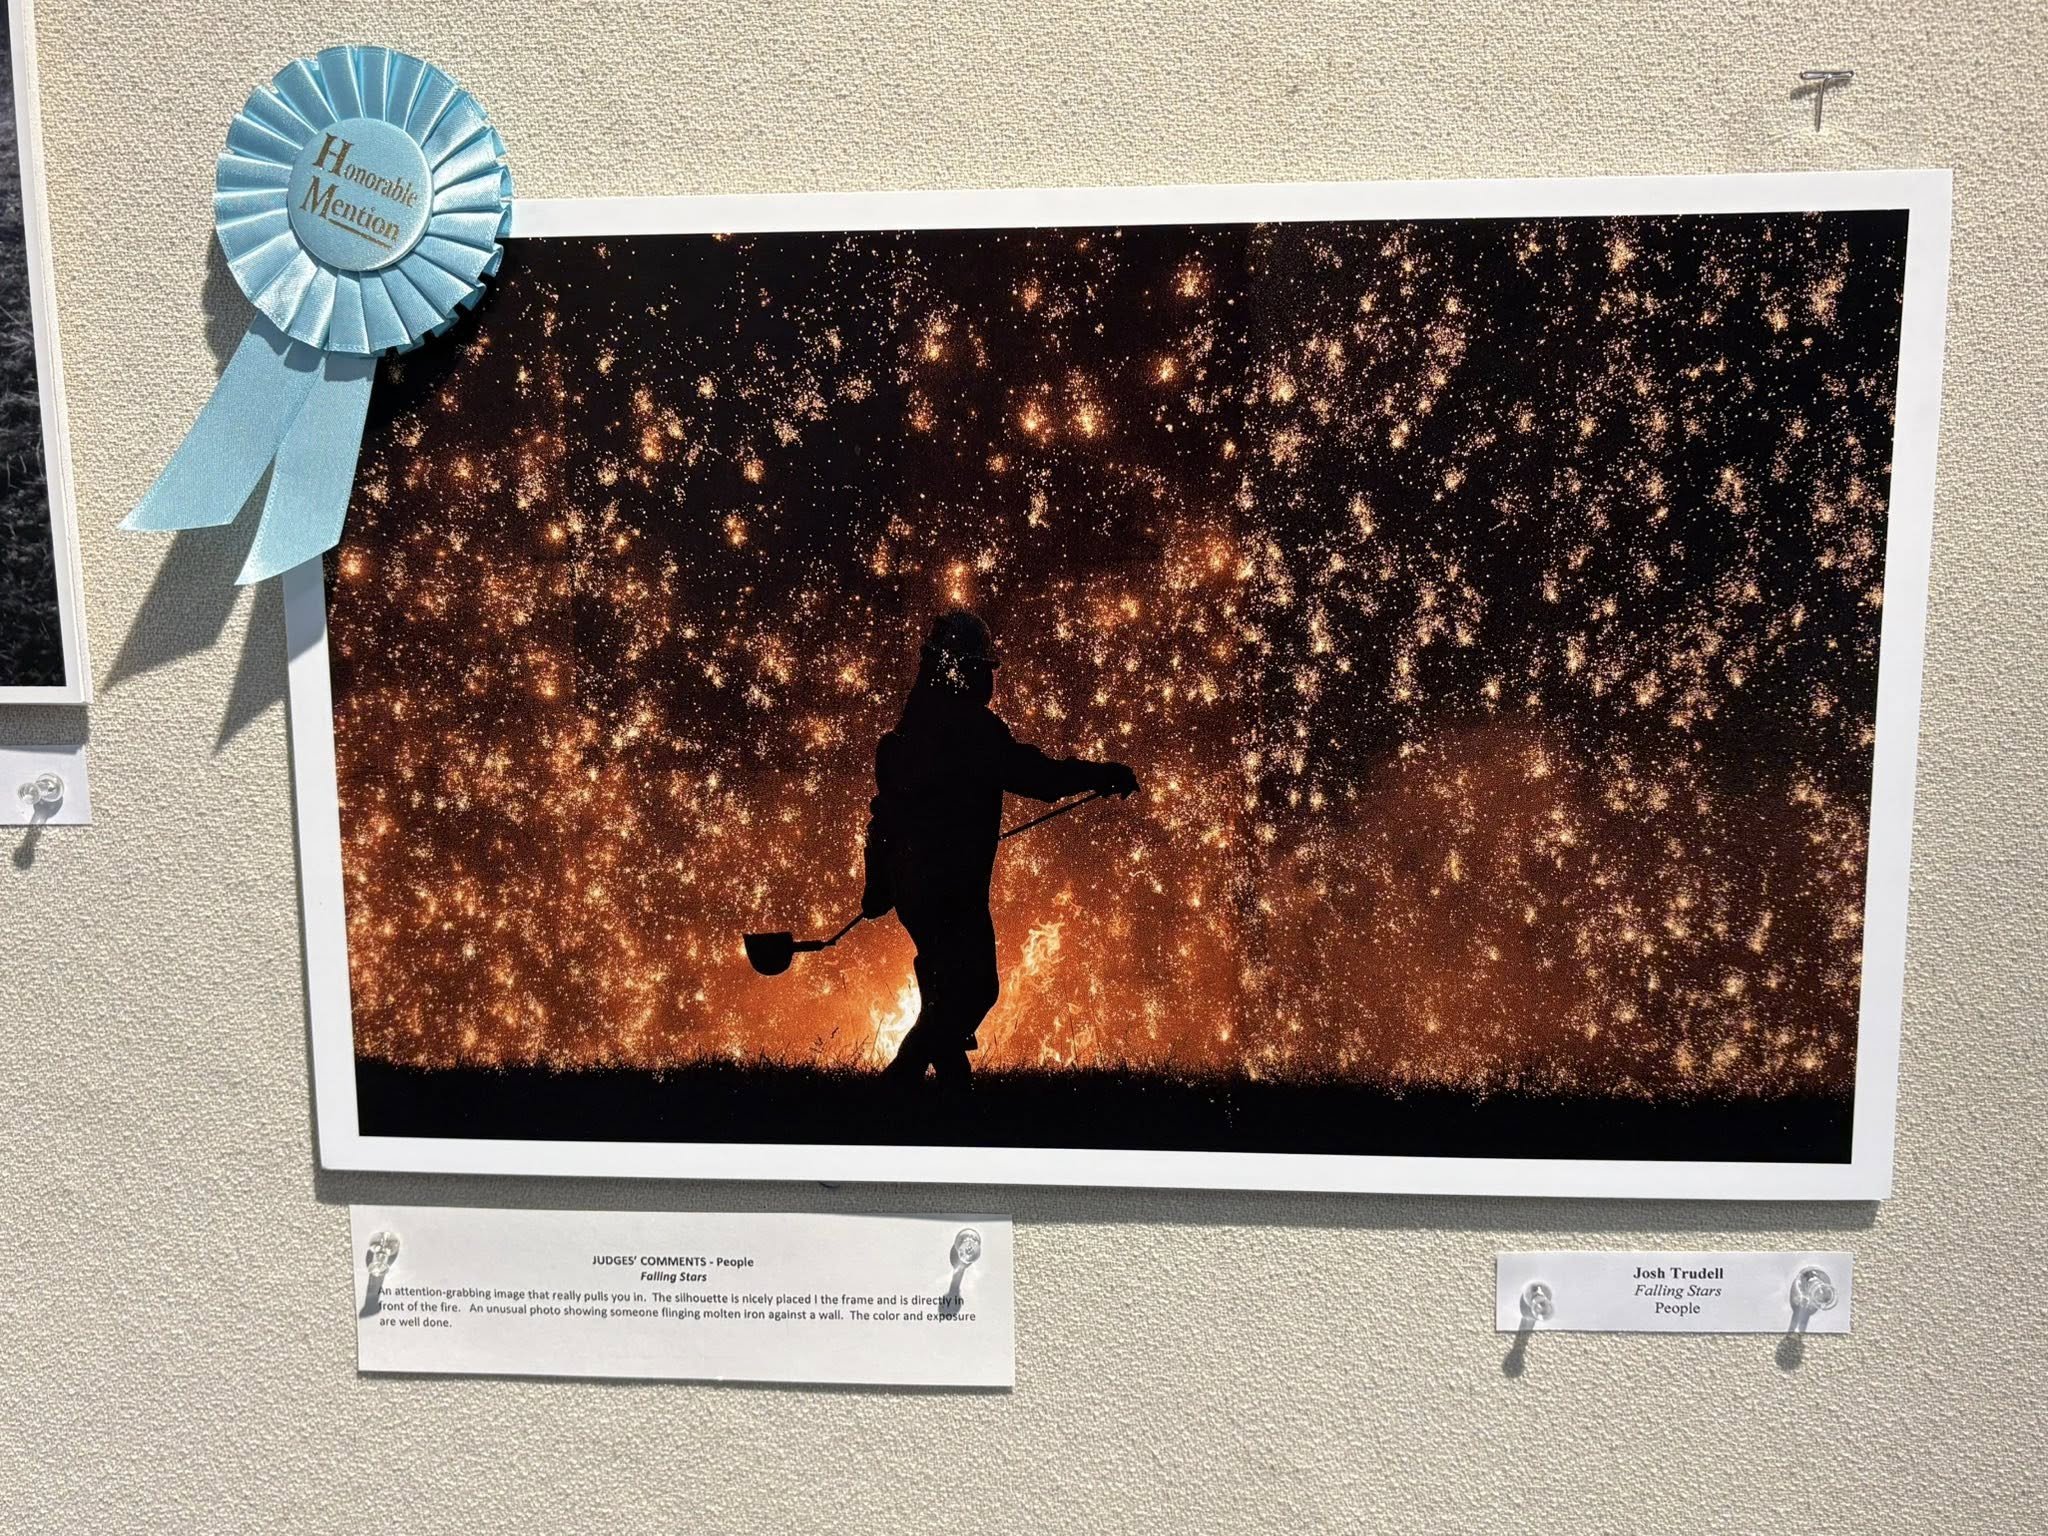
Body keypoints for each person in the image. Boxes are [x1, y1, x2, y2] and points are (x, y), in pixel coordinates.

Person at [862, 611, 1138, 1085]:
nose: (988, 679)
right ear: (966, 671)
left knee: (943, 987)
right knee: (976, 989)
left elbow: (884, 820)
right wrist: (1101, 774)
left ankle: (949, 1092)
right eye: (983, 668)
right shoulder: (972, 731)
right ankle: (899, 1080)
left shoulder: (905, 737)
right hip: (952, 889)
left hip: (913, 888)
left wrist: (878, 884)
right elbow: (1039, 777)